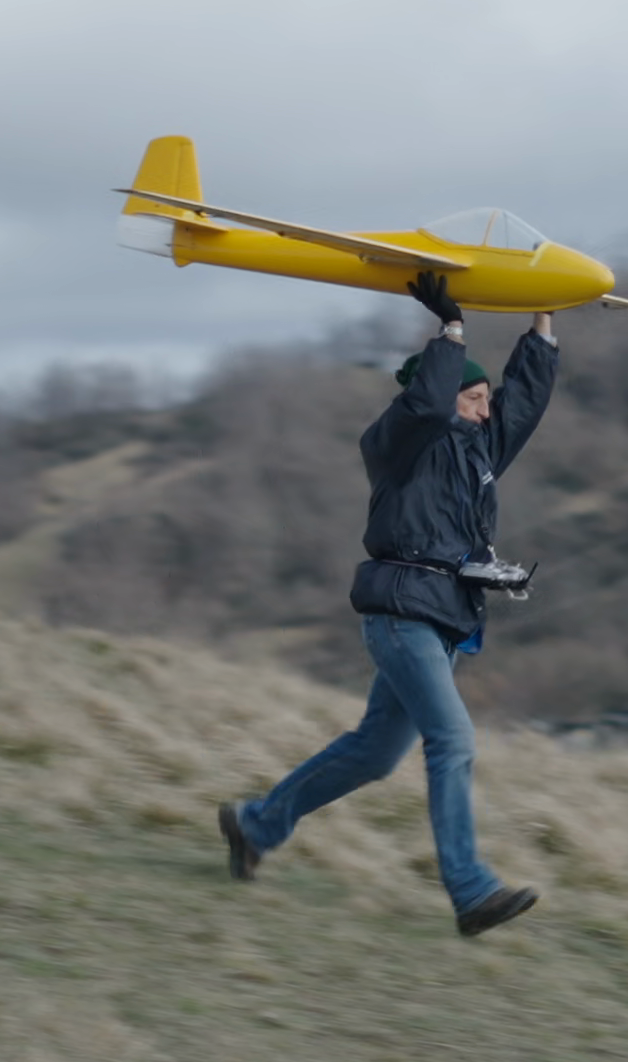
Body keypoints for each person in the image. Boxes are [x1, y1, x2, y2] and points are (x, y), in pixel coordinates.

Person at [218, 269, 559, 936]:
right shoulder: (396, 443)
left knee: (375, 754)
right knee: (453, 740)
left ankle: (255, 824)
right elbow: (427, 406)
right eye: (475, 398)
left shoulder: (478, 453)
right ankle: (470, 891)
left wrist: (543, 319)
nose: (487, 411)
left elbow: (522, 405)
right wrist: (451, 330)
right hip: (402, 616)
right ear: (442, 393)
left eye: (486, 401)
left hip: (442, 620)